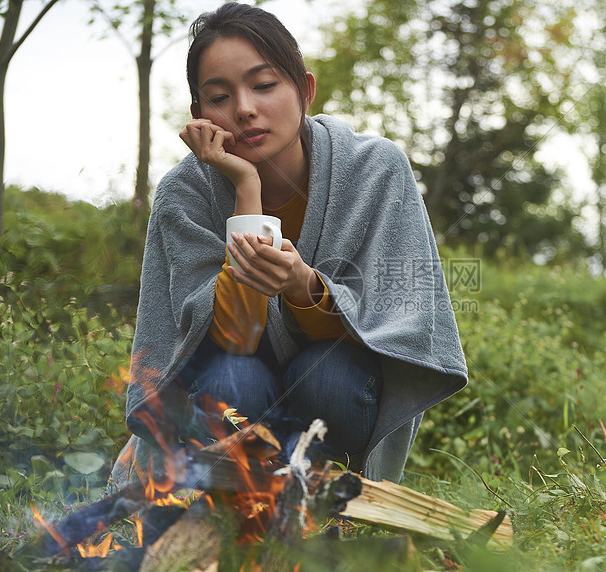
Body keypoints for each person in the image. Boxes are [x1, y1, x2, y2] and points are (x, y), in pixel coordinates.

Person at [109, 2, 466, 487]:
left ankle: (332, 504)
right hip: (234, 413)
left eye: (264, 85)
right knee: (234, 376)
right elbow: (233, 337)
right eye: (220, 96)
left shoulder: (376, 169)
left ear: (305, 89)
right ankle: (240, 506)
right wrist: (246, 186)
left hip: (338, 399)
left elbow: (404, 322)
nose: (244, 109)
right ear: (200, 115)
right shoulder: (184, 194)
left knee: (328, 373)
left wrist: (305, 287)